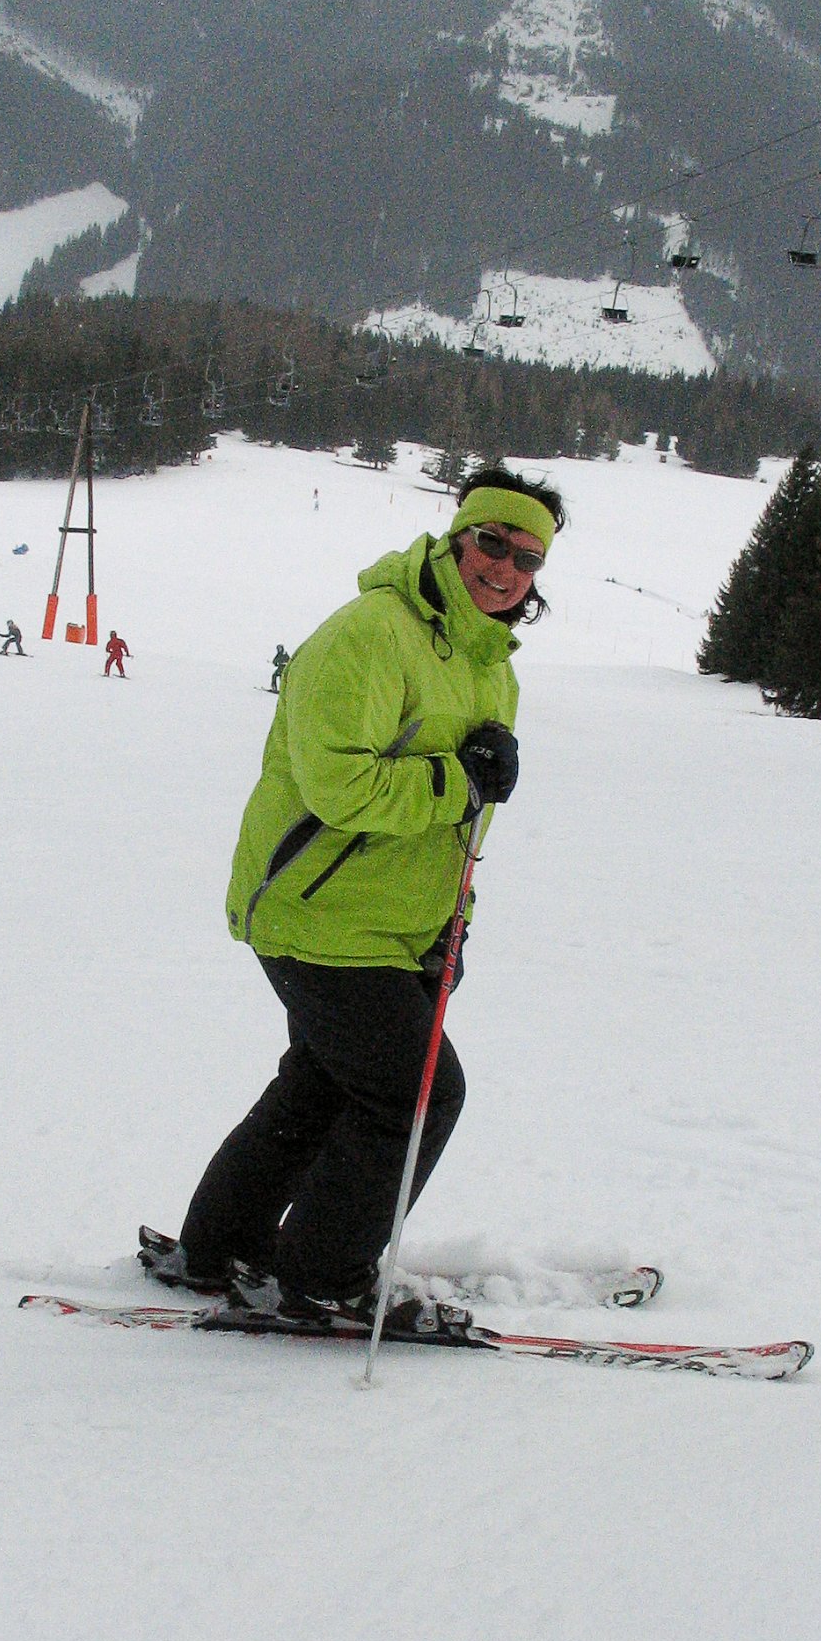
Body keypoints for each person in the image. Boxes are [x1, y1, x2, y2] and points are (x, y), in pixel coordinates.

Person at [158, 463, 565, 1327]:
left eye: (527, 558)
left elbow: (462, 823)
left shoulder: (491, 665)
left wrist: (450, 923)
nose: (505, 569)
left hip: (389, 925)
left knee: (323, 1085)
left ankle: (219, 1246)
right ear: (458, 538)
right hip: (317, 912)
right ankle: (322, 1277)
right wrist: (458, 779)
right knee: (419, 1094)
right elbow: (340, 786)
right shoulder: (372, 633)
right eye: (492, 543)